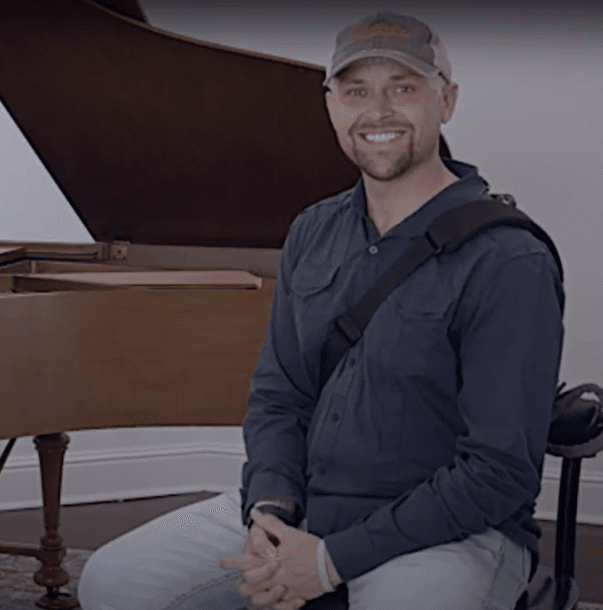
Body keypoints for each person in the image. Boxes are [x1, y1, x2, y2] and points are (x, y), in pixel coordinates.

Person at [78, 11, 563, 610]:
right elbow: (278, 397)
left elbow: (498, 472)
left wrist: (330, 562)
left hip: (447, 534)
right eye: (356, 91)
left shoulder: (509, 258)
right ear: (331, 105)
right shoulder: (311, 230)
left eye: (402, 88)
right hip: (309, 507)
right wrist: (270, 511)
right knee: (111, 582)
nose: (377, 111)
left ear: (447, 100)